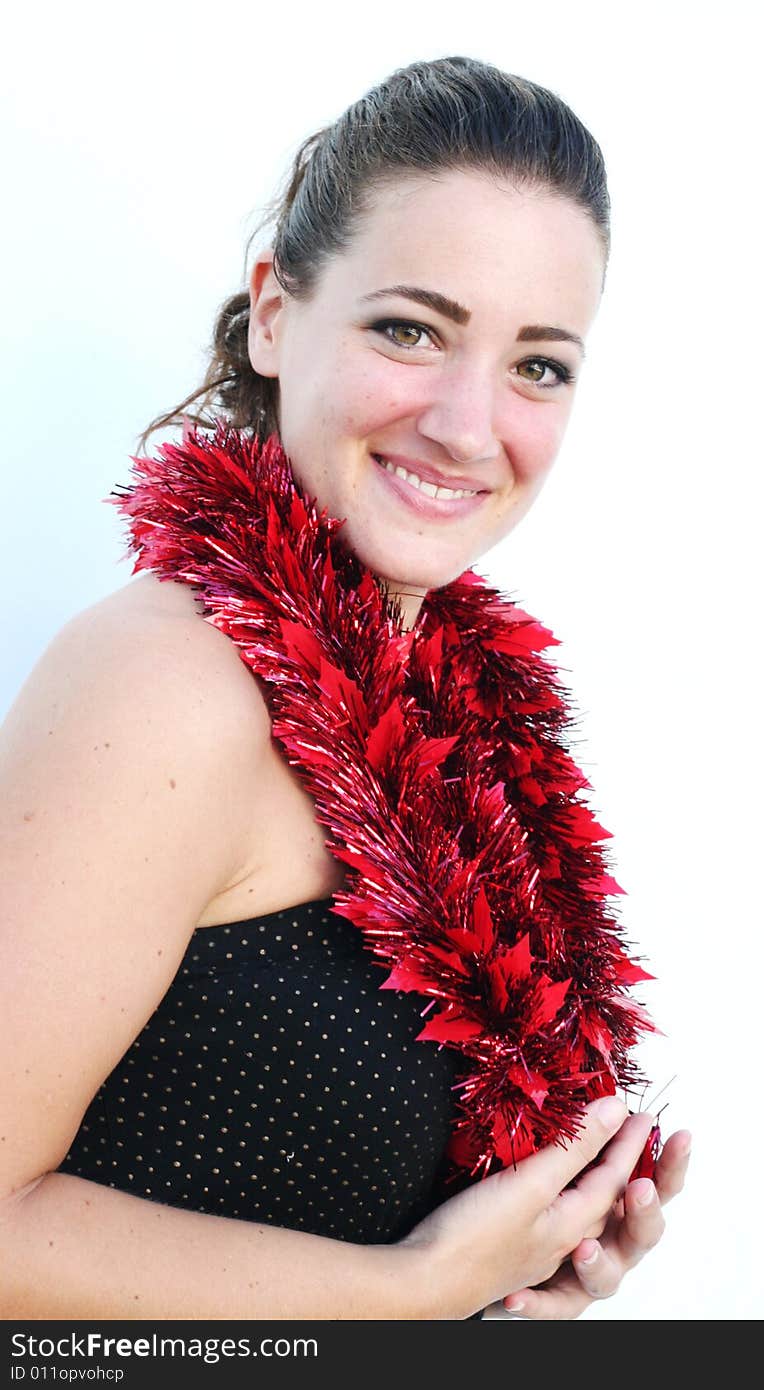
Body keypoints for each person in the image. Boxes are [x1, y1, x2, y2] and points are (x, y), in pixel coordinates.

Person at [0, 55, 691, 1320]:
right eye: (410, 329)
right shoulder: (166, 680)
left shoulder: (463, 746)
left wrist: (521, 1265)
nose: (470, 425)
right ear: (274, 313)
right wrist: (415, 1290)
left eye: (539, 364)